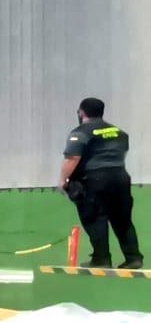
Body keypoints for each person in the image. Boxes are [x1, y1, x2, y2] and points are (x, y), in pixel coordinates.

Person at [60, 97, 142, 269]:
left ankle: (101, 258)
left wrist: (63, 180)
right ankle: (133, 258)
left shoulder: (80, 132)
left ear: (81, 113)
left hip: (95, 180)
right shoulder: (119, 132)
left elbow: (73, 158)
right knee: (123, 220)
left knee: (94, 218)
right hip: (120, 178)